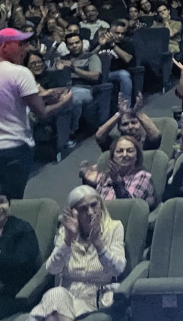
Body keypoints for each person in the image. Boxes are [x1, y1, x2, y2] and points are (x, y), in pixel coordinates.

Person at [29, 186, 127, 321]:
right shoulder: (66, 231)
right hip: (66, 296)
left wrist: (99, 244)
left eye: (94, 205)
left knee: (52, 317)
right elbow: (53, 268)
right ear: (73, 213)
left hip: (95, 299)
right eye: (83, 209)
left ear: (101, 205)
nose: (90, 212)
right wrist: (68, 240)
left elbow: (117, 270)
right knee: (56, 294)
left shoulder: (114, 228)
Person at [0, 28, 73, 197]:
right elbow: (42, 113)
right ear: (4, 46)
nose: (25, 49)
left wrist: (44, 94)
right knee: (10, 203)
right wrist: (64, 102)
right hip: (14, 148)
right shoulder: (19, 72)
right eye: (21, 44)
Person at [79, 135, 156, 208]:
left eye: (130, 151)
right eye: (119, 151)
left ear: (137, 156)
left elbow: (130, 207)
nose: (124, 154)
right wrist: (87, 182)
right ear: (113, 157)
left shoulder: (143, 176)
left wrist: (118, 184)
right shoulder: (106, 177)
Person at [0, 187, 41, 318]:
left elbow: (22, 263)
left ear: (9, 204)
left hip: (14, 294)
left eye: (1, 202)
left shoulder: (22, 229)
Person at [95, 94, 162, 155]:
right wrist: (119, 114)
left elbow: (156, 136)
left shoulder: (145, 143)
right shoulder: (115, 144)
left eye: (134, 122)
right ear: (119, 128)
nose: (130, 127)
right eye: (125, 124)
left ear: (141, 124)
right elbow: (99, 136)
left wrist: (138, 113)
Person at [94, 20, 136, 106]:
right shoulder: (100, 42)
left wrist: (113, 45)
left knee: (124, 75)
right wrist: (100, 45)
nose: (120, 36)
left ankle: (125, 108)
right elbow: (89, 57)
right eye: (117, 33)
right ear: (109, 32)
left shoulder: (127, 44)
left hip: (113, 73)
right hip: (99, 74)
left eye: (122, 33)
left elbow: (128, 59)